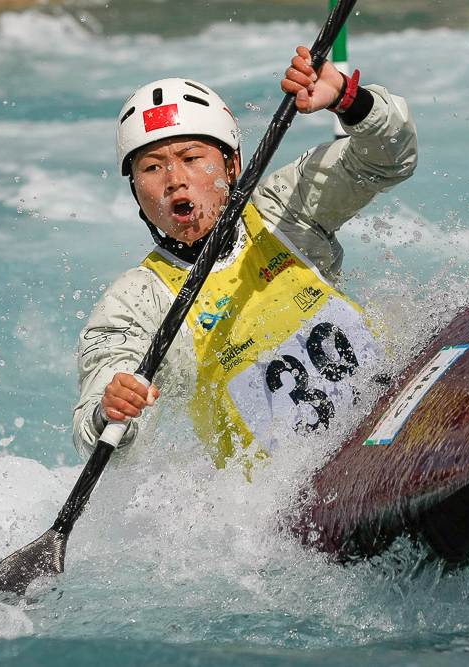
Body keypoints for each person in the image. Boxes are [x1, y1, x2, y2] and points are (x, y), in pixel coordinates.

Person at [72, 46, 418, 469]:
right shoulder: (136, 301)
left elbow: (390, 160)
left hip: (388, 418)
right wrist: (110, 411)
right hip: (290, 490)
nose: (175, 180)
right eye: (152, 168)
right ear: (135, 191)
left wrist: (349, 98)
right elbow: (96, 434)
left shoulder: (285, 211)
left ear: (232, 165)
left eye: (191, 158)